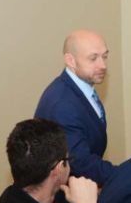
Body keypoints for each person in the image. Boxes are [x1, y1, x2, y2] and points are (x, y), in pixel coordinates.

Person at [35, 29, 115, 185]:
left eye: (105, 56)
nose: (103, 65)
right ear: (70, 60)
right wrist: (127, 175)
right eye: (93, 58)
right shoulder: (62, 104)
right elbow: (81, 164)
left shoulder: (80, 87)